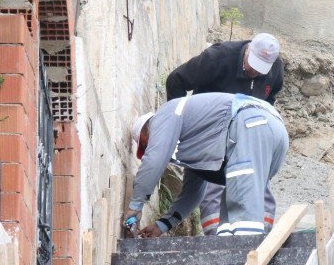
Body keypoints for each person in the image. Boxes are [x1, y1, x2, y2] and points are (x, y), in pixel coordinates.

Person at [165, 33, 284, 235]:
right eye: (252, 65)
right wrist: (179, 127)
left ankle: (260, 236)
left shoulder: (275, 69)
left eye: (261, 69)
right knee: (206, 183)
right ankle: (216, 237)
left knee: (255, 181)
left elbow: (269, 98)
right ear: (247, 50)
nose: (255, 72)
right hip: (208, 131)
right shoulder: (218, 58)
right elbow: (176, 80)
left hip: (246, 133)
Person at [123, 92, 288, 237]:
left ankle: (249, 263)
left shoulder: (165, 114)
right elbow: (192, 193)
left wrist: (135, 206)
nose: (149, 149)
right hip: (272, 134)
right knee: (230, 221)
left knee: (243, 214)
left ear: (148, 130)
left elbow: (154, 159)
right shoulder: (196, 139)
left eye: (145, 145)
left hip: (252, 124)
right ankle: (238, 259)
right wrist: (163, 224)